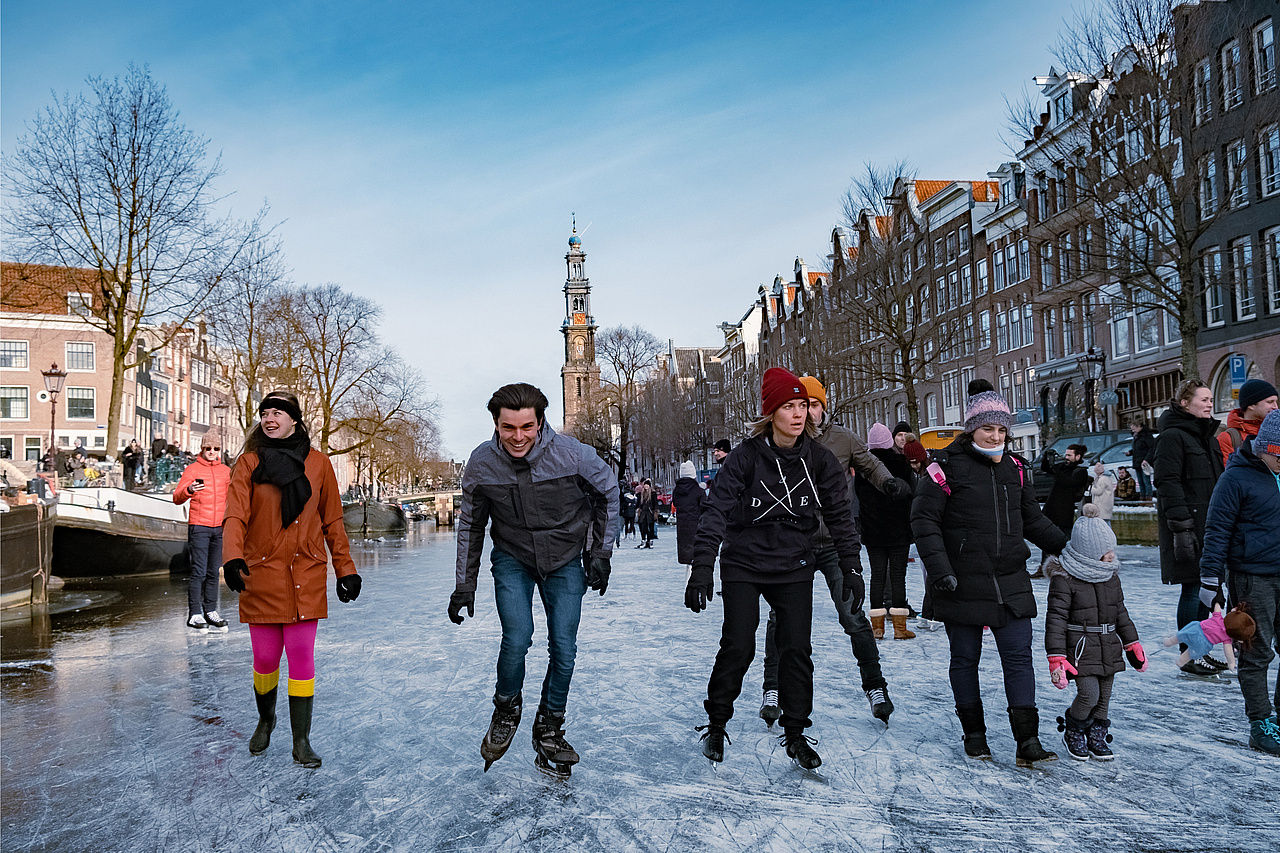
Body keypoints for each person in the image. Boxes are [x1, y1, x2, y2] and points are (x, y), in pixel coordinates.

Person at [688, 368, 864, 770]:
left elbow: (840, 515)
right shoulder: (745, 457)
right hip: (744, 562)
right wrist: (702, 568)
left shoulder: (819, 459)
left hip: (793, 563)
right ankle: (717, 722)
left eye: (803, 405)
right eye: (789, 406)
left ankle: (796, 732)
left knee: (796, 648)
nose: (799, 414)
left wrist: (852, 567)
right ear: (771, 413)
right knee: (739, 645)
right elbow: (715, 512)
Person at [447, 383, 617, 776]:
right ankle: (506, 708)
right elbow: (471, 525)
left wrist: (600, 552)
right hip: (514, 557)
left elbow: (608, 492)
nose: (518, 437)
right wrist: (464, 585)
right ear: (496, 424)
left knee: (564, 647)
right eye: (508, 427)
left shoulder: (572, 455)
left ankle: (549, 726)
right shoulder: (482, 464)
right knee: (517, 636)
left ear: (540, 422)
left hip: (564, 558)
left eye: (527, 426)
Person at [912, 379, 1066, 766]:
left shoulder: (1016, 469)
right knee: (965, 659)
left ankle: (1027, 741)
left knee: (1019, 659)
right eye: (987, 428)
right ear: (971, 429)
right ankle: (975, 735)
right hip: (962, 580)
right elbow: (924, 522)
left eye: (1001, 429)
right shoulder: (944, 467)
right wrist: (940, 570)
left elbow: (1032, 520)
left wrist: (1070, 546)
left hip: (1011, 579)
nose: (995, 436)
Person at [221, 390, 362, 769]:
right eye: (265, 413)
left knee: (300, 655)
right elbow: (235, 515)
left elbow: (332, 520)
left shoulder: (319, 464)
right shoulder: (249, 463)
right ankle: (266, 719)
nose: (269, 418)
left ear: (294, 420)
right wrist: (232, 557)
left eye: (278, 413)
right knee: (266, 658)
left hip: (306, 572)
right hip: (261, 572)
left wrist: (345, 569)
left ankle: (301, 740)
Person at [760, 376, 908, 726]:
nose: (807, 412)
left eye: (813, 404)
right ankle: (773, 688)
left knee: (852, 614)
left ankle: (875, 686)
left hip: (835, 544)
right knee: (780, 618)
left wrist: (888, 483)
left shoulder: (841, 438)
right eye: (801, 405)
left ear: (822, 408)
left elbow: (870, 464)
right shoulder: (783, 441)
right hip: (794, 545)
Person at [1199, 408, 1280, 754]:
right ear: (1265, 448)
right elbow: (1217, 530)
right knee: (1256, 652)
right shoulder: (1235, 479)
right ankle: (1260, 722)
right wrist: (1210, 578)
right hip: (1252, 577)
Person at [1043, 505, 1146, 761]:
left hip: (1109, 645)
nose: (1111, 555)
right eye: (1105, 551)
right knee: (1089, 694)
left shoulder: (1110, 577)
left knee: (1104, 697)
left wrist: (1132, 643)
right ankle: (1074, 729)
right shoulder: (1065, 579)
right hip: (1080, 648)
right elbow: (1056, 619)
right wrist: (1056, 657)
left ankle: (1096, 734)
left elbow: (1120, 612)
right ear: (1088, 553)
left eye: (1111, 549)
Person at [1153, 379, 1225, 676]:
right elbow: (1167, 483)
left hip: (1211, 526)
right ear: (1185, 403)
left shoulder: (1206, 437)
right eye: (1203, 399)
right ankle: (1189, 654)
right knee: (1193, 587)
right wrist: (1182, 529)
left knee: (1207, 589)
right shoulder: (1172, 437)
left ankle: (1200, 650)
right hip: (1189, 527)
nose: (1209, 403)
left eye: (1210, 399)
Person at [856, 422, 916, 641]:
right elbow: (912, 493)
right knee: (898, 576)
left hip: (874, 532)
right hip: (899, 530)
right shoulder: (902, 464)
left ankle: (877, 628)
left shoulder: (863, 468)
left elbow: (859, 498)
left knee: (877, 576)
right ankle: (900, 628)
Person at [173, 438, 232, 633]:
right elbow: (176, 497)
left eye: (216, 448)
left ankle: (210, 610)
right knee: (198, 571)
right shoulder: (192, 470)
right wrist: (189, 490)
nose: (212, 451)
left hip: (219, 527)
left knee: (214, 571)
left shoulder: (226, 471)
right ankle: (195, 613)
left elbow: (234, 496)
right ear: (202, 449)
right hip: (199, 526)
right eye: (208, 448)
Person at [1033, 443, 1090, 578]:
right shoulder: (1063, 467)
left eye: (1069, 455)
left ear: (1078, 456)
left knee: (1065, 540)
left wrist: (1057, 469)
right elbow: (1046, 469)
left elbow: (1068, 482)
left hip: (1065, 510)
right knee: (1046, 538)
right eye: (1066, 454)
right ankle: (1044, 566)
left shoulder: (1081, 471)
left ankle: (1069, 566)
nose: (1066, 457)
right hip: (1051, 508)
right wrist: (1046, 457)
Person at [1162, 603, 1255, 672]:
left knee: (1182, 636)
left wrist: (1217, 600)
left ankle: (1169, 642)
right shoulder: (1227, 638)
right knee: (1191, 651)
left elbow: (1217, 608)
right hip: (1204, 642)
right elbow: (1228, 652)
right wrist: (1231, 663)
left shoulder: (1218, 618)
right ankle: (1181, 661)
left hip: (1196, 629)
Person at [1216, 378, 1279, 467]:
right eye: (1270, 402)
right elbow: (1229, 473)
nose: (1275, 407)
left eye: (1276, 402)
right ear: (1251, 405)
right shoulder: (1229, 438)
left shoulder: (1277, 432)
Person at [672, 461, 706, 570]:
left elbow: (675, 503)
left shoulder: (676, 491)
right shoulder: (698, 491)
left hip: (682, 526)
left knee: (686, 557)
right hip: (696, 526)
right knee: (697, 558)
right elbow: (705, 508)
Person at [1128, 420, 1157, 498]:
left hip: (1145, 463)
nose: (1133, 431)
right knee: (1141, 482)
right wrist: (1130, 452)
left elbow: (1151, 449)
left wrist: (1146, 460)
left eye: (1134, 429)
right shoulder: (1136, 436)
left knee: (1146, 481)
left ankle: (1148, 498)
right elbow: (1138, 449)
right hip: (1138, 462)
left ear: (1139, 427)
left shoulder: (1146, 436)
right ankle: (1143, 498)